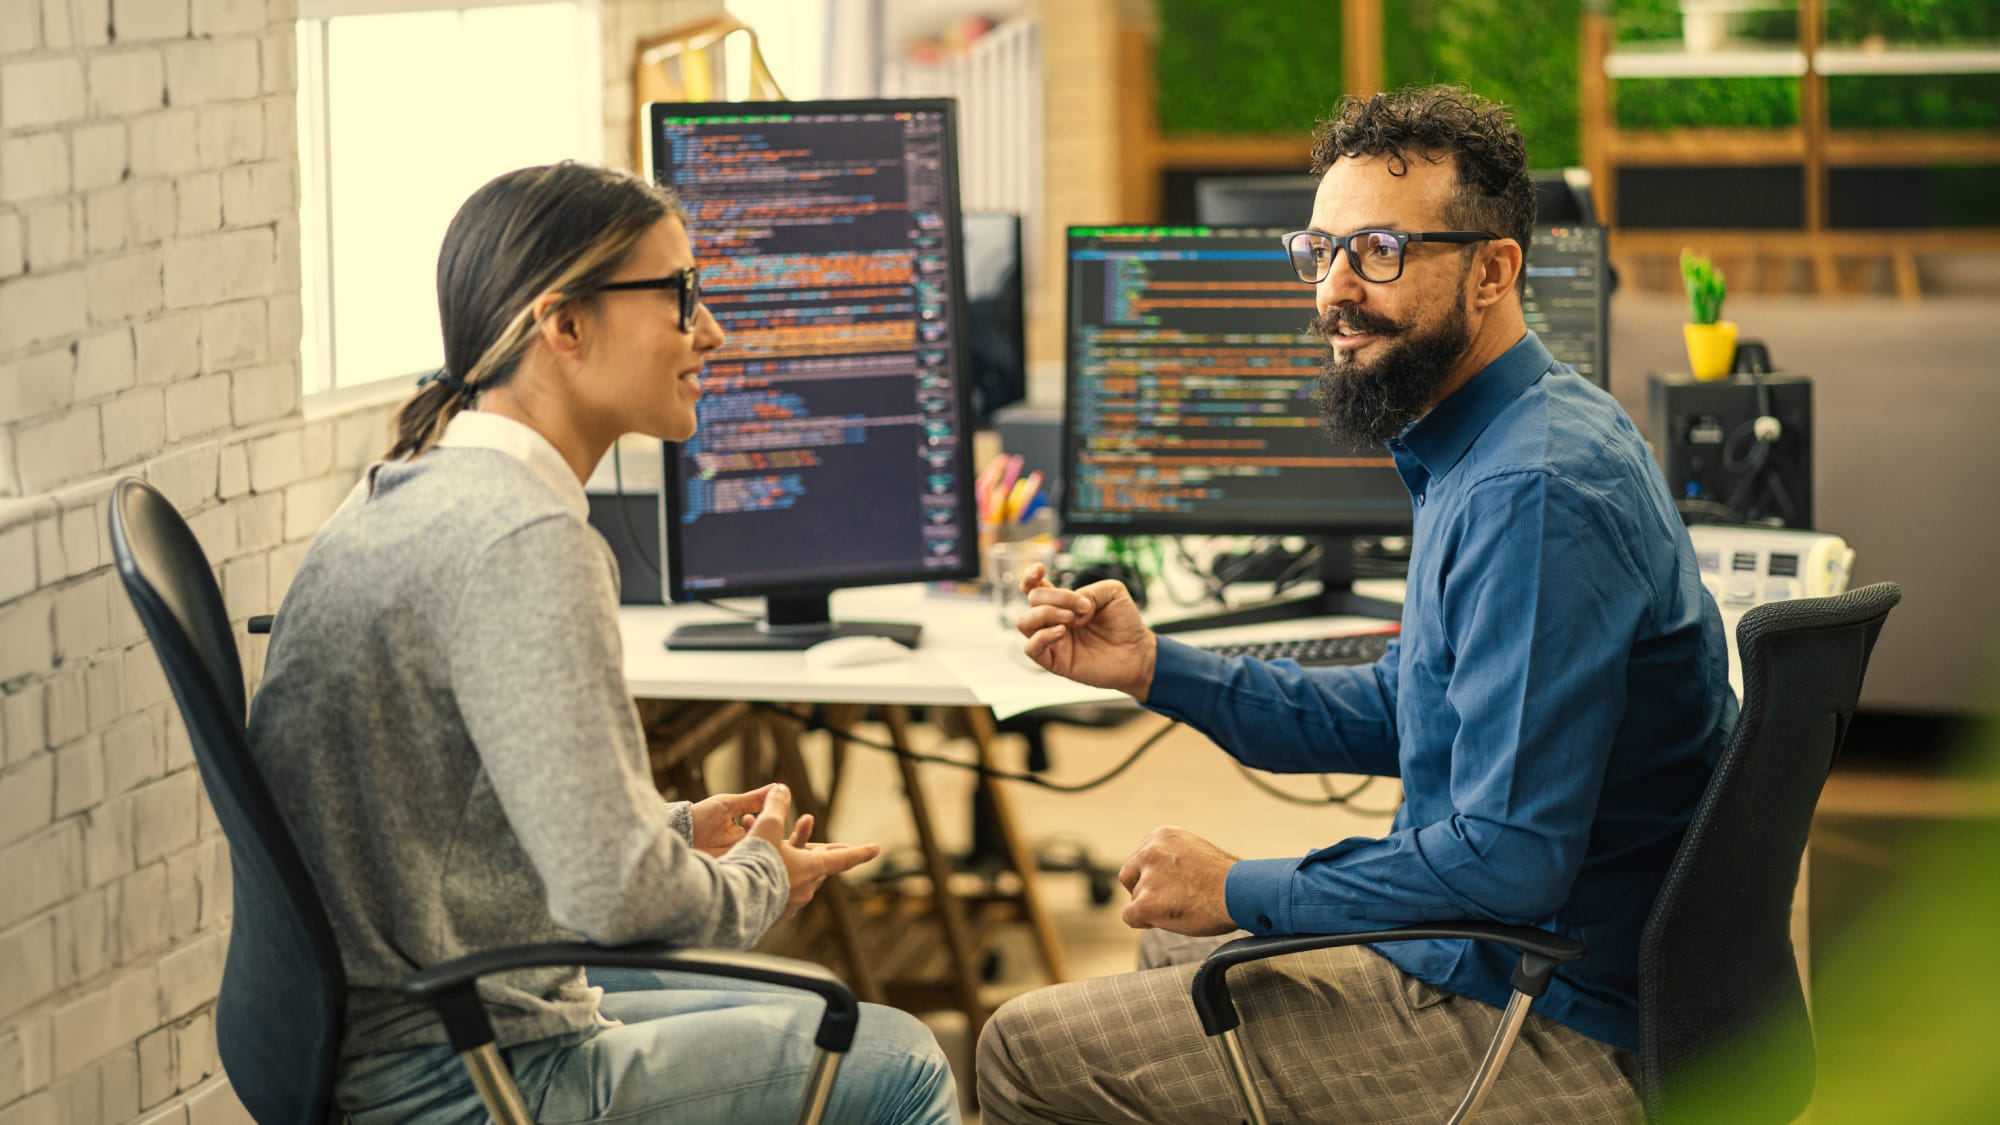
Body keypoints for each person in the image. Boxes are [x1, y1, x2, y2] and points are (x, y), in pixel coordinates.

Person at [976, 86, 1735, 1123]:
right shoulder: (1498, 437)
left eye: (1376, 251)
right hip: (1523, 961)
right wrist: (1154, 667)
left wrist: (1242, 885)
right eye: (1318, 251)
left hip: (1555, 1018)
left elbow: (1506, 862)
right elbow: (1402, 710)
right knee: (1169, 942)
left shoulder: (1531, 489)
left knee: (1023, 1046)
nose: (1330, 290)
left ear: (1493, 270)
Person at [248, 162, 959, 1123]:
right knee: (903, 1057)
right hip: (462, 1072)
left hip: (420, 1021)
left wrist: (673, 832)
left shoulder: (407, 486)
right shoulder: (526, 539)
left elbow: (472, 819)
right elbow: (617, 901)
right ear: (565, 326)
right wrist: (758, 878)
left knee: (816, 1007)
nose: (711, 330)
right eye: (680, 296)